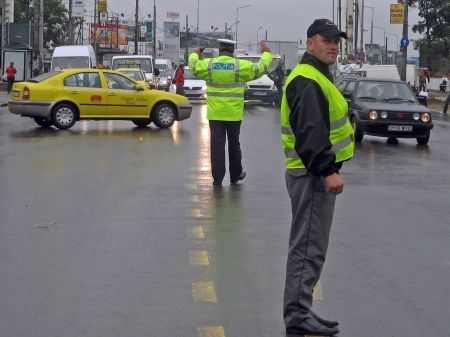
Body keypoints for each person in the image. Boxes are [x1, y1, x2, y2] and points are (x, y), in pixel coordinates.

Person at [280, 19, 354, 336]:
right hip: (312, 175)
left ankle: (302, 308)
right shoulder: (308, 80)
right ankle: (297, 313)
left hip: (310, 174)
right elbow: (310, 133)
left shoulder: (317, 77)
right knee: (308, 246)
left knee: (311, 245)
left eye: (336, 40)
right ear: (310, 44)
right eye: (327, 40)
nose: (334, 45)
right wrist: (328, 170)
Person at [189, 39, 272, 186]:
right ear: (232, 50)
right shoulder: (240, 66)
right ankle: (235, 175)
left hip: (215, 114)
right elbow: (261, 67)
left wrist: (195, 54)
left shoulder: (209, 65)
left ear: (219, 50)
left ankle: (218, 178)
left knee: (217, 146)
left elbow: (194, 66)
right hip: (234, 114)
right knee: (234, 144)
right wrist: (266, 53)